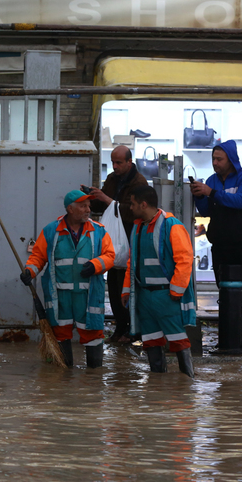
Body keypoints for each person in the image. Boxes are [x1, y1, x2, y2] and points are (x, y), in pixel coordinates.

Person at [20, 189, 115, 368]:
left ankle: (93, 380)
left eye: (88, 206)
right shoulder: (51, 231)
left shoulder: (98, 231)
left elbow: (110, 255)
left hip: (88, 295)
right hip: (60, 297)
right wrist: (29, 272)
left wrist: (96, 265)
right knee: (60, 333)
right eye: (83, 206)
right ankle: (65, 379)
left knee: (93, 334)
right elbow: (38, 257)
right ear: (70, 209)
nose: (88, 210)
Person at [190, 140, 242, 352]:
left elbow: (240, 201)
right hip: (220, 245)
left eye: (219, 159)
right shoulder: (212, 180)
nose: (215, 163)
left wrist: (211, 192)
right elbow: (205, 211)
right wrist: (198, 196)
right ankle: (230, 336)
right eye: (213, 159)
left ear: (230, 159)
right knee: (226, 292)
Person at [121, 185, 195, 378]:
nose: (131, 207)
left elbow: (185, 259)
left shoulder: (172, 225)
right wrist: (127, 290)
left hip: (166, 295)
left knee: (178, 339)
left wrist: (176, 291)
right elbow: (132, 262)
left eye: (133, 204)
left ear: (143, 205)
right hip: (145, 295)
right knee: (151, 340)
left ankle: (187, 380)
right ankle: (159, 384)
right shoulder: (138, 226)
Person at [86, 145, 148, 344]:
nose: (114, 166)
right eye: (113, 162)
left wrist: (108, 200)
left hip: (130, 239)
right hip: (114, 241)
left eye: (119, 162)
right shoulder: (113, 179)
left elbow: (135, 211)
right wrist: (90, 198)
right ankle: (120, 327)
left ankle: (131, 329)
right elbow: (103, 204)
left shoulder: (139, 183)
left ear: (129, 162)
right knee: (113, 286)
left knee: (127, 286)